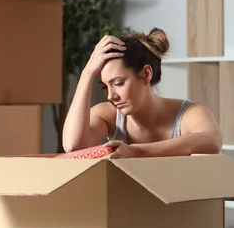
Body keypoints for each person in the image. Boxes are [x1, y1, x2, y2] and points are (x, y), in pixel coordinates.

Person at [62, 27, 223, 159]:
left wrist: (136, 151)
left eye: (118, 83)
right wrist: (87, 73)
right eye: (105, 86)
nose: (111, 96)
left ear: (146, 74)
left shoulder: (189, 114)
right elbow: (73, 146)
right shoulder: (107, 115)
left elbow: (212, 141)